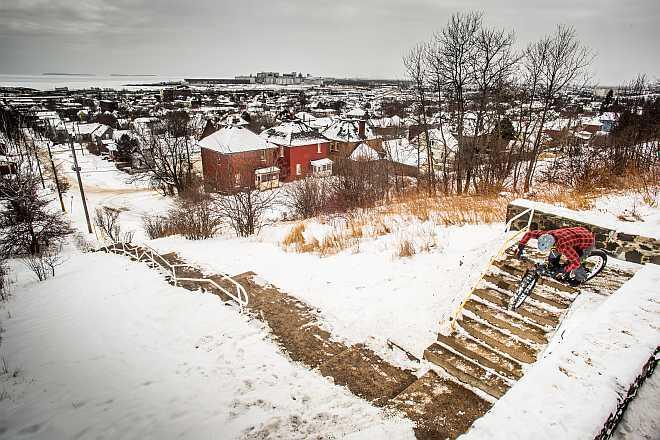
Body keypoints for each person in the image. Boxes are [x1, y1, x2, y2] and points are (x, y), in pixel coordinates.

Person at [515, 226, 595, 286]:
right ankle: (554, 264)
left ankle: (580, 278)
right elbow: (529, 234)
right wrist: (520, 247)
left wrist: (563, 270)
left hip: (586, 242)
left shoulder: (563, 246)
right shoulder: (546, 235)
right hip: (578, 232)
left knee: (577, 262)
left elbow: (576, 263)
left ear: (553, 244)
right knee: (554, 255)